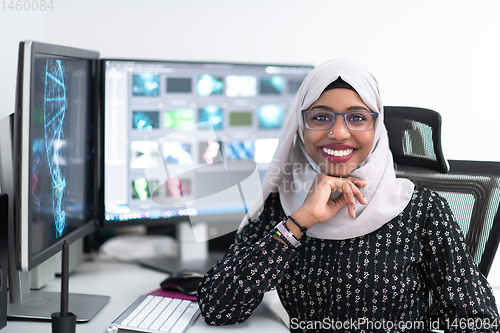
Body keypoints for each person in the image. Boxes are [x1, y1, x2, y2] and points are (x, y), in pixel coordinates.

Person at [197, 59, 500, 332]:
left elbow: (477, 321)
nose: (339, 133)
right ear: (300, 126)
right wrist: (300, 221)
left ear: (377, 126)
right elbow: (218, 308)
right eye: (320, 117)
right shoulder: (279, 207)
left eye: (357, 118)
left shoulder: (422, 212)